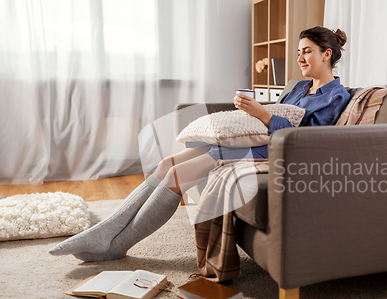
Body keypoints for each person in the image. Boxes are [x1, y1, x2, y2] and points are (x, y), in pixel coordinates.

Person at [48, 26, 351, 262]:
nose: (300, 58)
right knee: (168, 163)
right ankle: (105, 234)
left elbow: (308, 137)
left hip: (270, 152)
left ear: (327, 54)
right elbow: (273, 112)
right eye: (299, 51)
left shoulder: (336, 96)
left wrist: (260, 113)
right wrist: (250, 111)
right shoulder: (298, 86)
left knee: (175, 176)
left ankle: (115, 244)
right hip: (253, 139)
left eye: (307, 51)